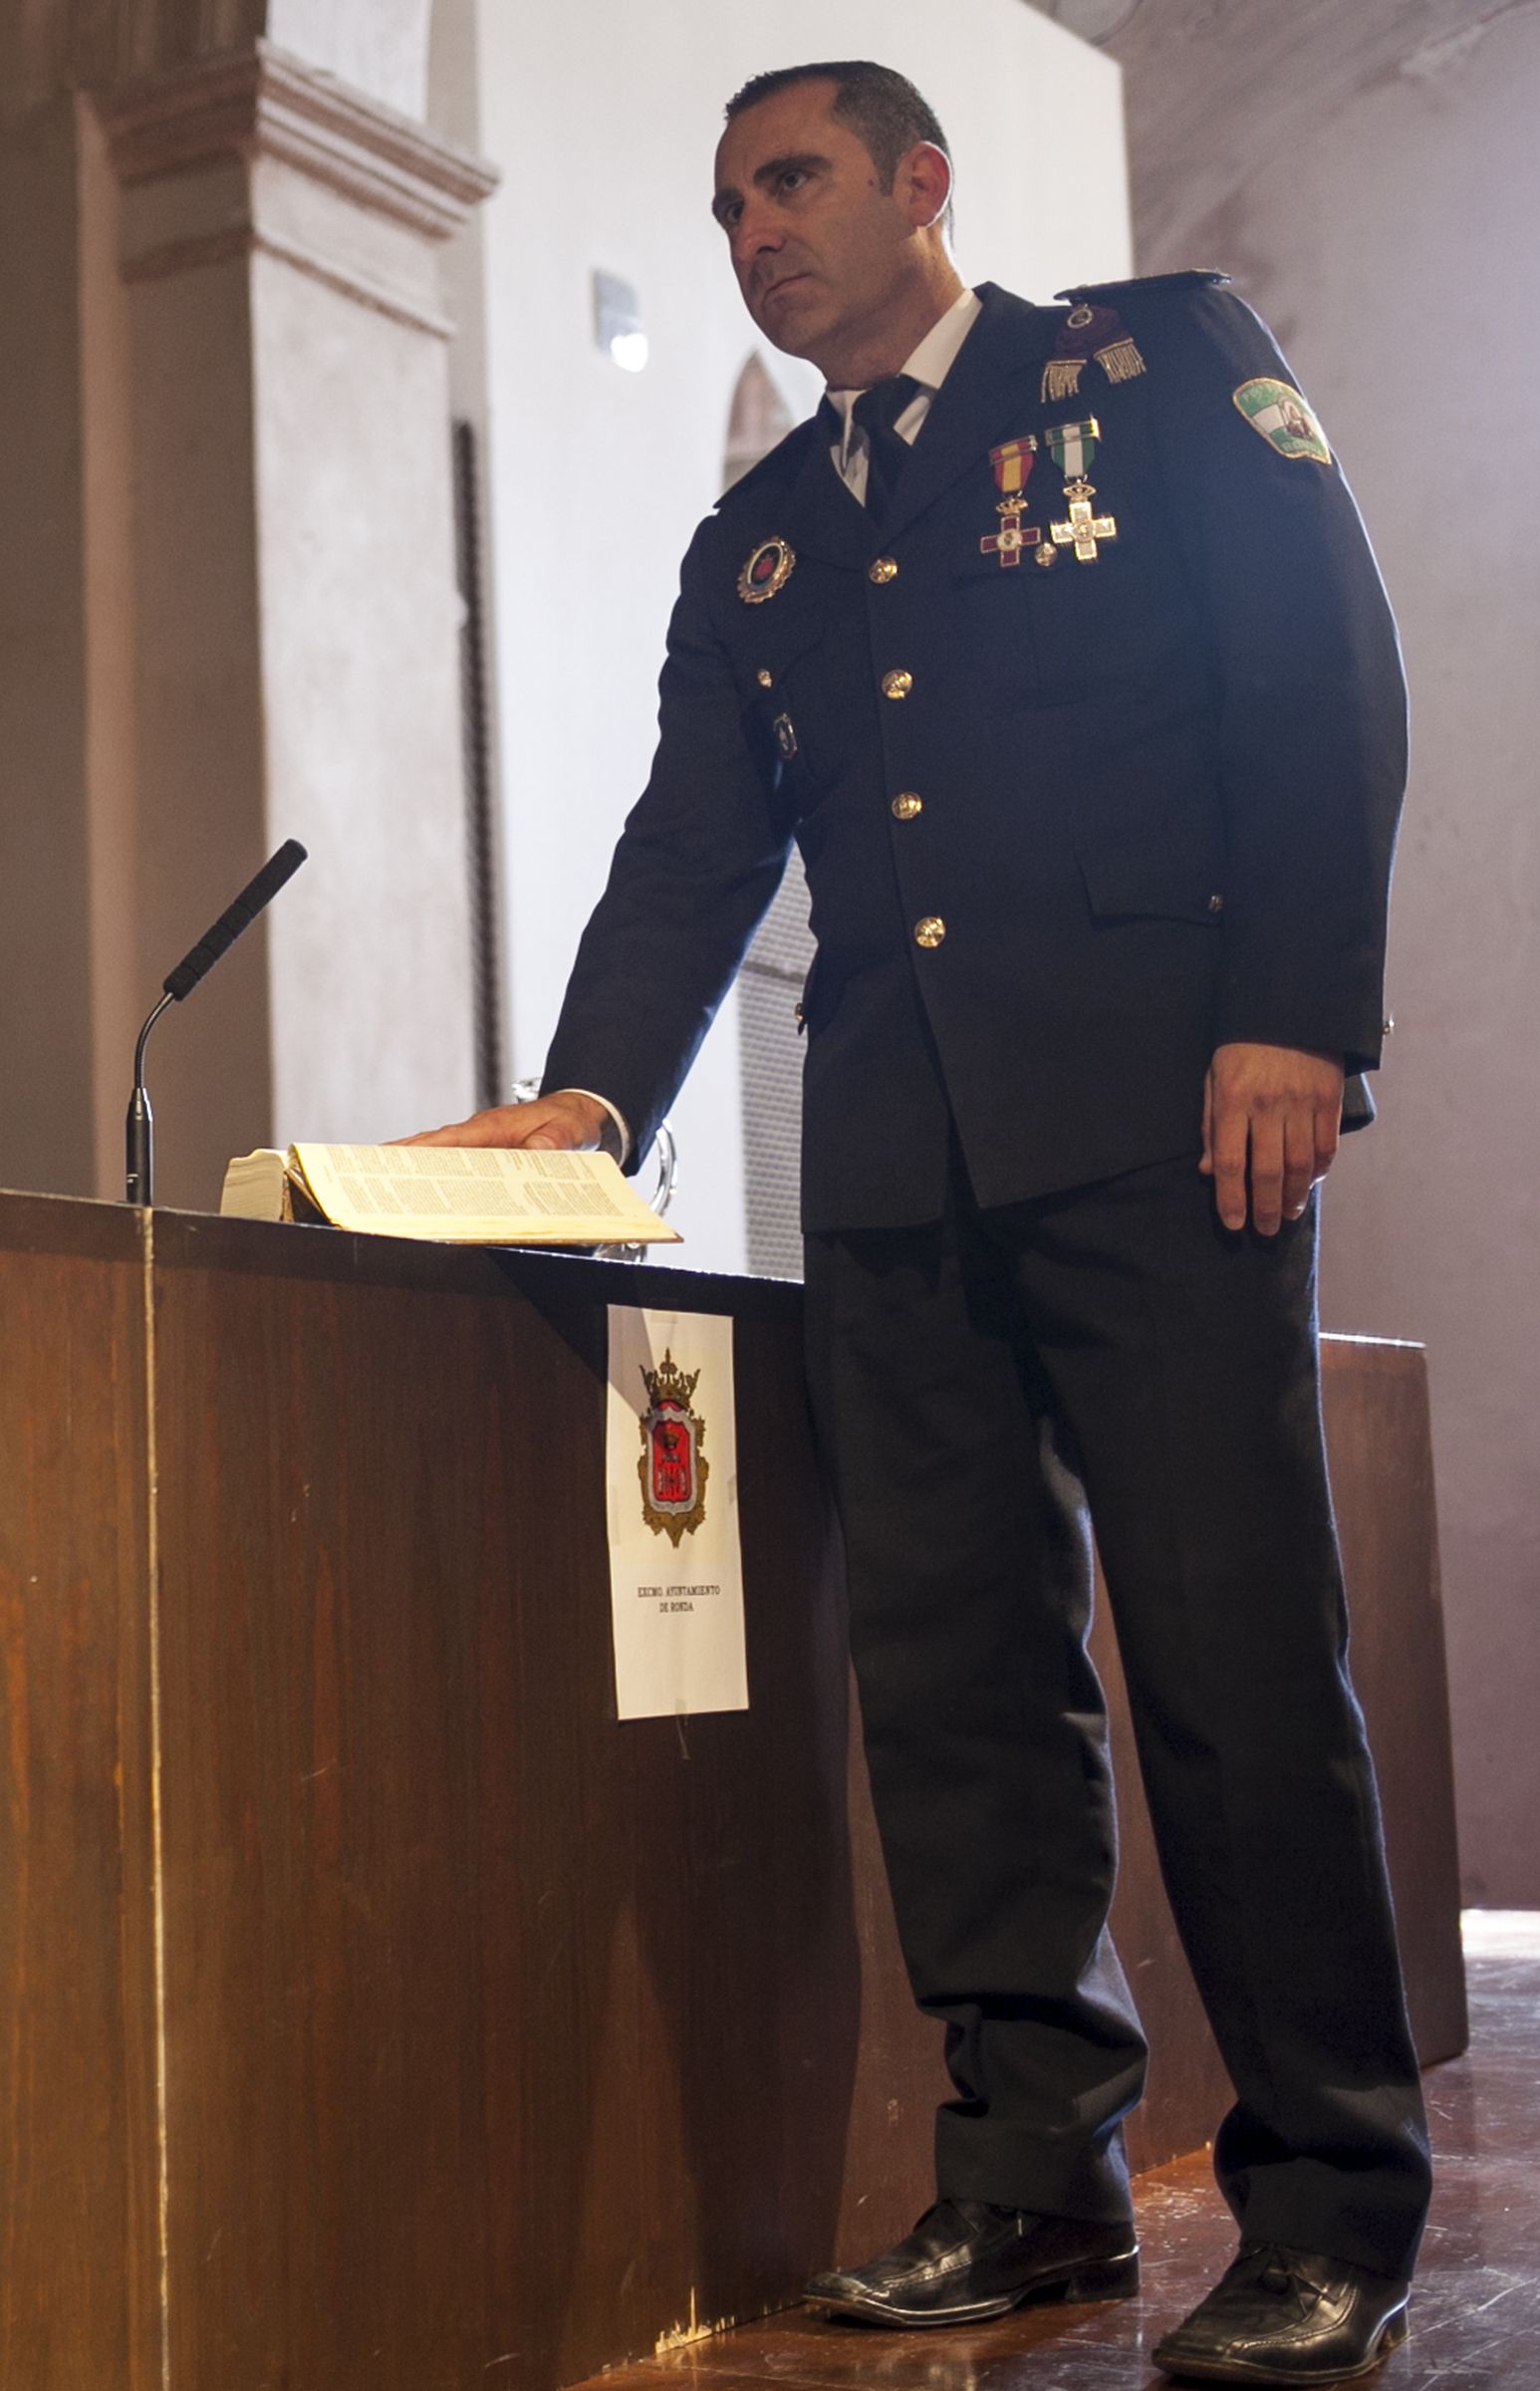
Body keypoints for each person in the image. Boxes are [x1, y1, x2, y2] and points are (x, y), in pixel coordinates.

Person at [404, 60, 1431, 2383]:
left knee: (1235, 1671)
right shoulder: (756, 533)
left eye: (792, 180)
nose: (753, 227)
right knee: (958, 1691)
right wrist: (586, 1099)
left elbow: (1313, 685)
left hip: (1168, 1132)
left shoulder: (1153, 371)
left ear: (916, 186)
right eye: (724, 200)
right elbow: (692, 855)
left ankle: (1329, 2202)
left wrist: (1288, 1013)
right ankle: (1030, 2183)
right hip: (891, 1161)